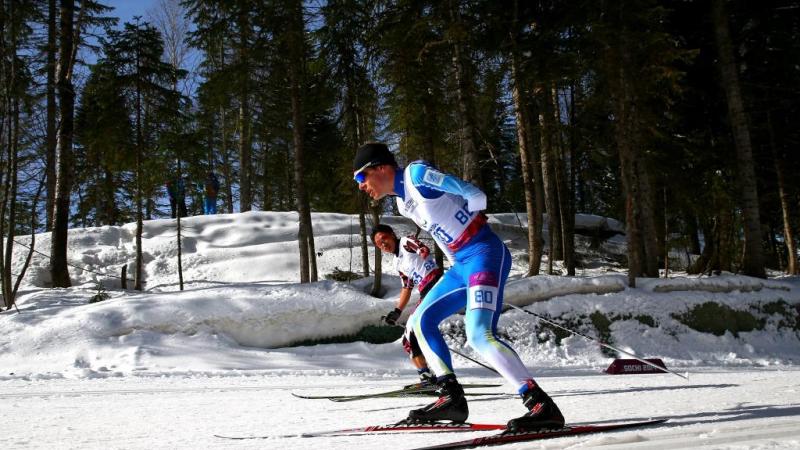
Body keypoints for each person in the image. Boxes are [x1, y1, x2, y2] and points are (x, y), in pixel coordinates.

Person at [353, 142, 564, 432]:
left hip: (484, 255)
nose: (361, 186)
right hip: (462, 266)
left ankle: (540, 405)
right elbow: (444, 230)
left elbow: (464, 188)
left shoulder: (415, 175)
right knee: (418, 322)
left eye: (361, 178)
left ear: (380, 167)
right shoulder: (403, 203)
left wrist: (474, 196)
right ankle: (451, 398)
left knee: (478, 335)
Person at [371, 224, 442, 387]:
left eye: (384, 238)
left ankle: (433, 378)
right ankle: (429, 377)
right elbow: (406, 287)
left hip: (435, 285)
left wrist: (422, 250)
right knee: (409, 339)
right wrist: (396, 311)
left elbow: (417, 246)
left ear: (392, 234)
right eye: (378, 244)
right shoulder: (397, 262)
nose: (383, 244)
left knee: (412, 335)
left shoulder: (404, 241)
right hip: (426, 291)